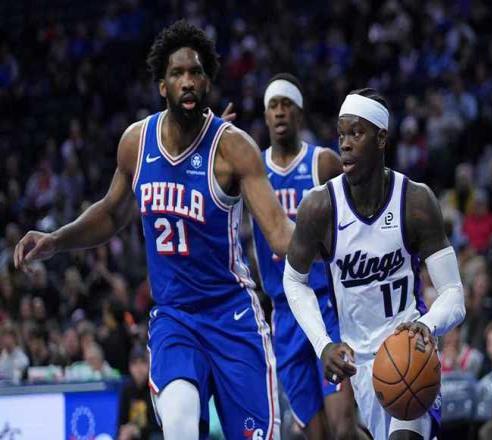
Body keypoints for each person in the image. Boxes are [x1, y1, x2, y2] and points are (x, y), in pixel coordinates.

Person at [14, 20, 292, 439]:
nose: (187, 81)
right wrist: (56, 240)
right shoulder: (136, 142)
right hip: (175, 318)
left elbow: (280, 233)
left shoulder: (233, 148)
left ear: (207, 82)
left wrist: (331, 226)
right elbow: (112, 213)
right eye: (177, 73)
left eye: (195, 72)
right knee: (179, 423)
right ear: (162, 85)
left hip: (231, 315)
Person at [283, 88, 466, 440]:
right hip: (361, 363)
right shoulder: (320, 207)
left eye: (356, 133)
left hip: (410, 349)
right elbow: (293, 280)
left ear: (381, 138)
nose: (345, 144)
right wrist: (323, 343)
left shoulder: (415, 201)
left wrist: (426, 325)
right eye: (341, 134)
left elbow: (454, 294)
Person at [252, 73, 363, 440]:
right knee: (316, 435)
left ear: (299, 113)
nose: (280, 112)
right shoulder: (252, 169)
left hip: (325, 305)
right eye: (273, 106)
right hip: (284, 313)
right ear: (266, 116)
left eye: (287, 105)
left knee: (343, 430)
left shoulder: (323, 163)